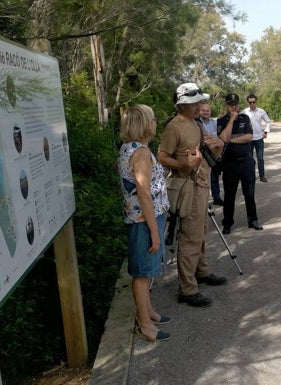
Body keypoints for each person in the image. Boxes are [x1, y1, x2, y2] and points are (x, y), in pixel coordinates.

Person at [158, 83, 227, 308]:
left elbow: (208, 150)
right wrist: (184, 164)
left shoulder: (196, 123)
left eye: (199, 102)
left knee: (201, 231)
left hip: (201, 185)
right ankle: (187, 289)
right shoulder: (174, 127)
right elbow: (162, 157)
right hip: (187, 187)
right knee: (190, 236)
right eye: (195, 103)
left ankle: (202, 271)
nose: (200, 106)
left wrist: (218, 144)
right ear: (183, 105)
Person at [117, 104, 170, 341]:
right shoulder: (139, 153)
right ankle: (144, 322)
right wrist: (155, 233)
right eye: (153, 119)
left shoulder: (130, 148)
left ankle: (148, 311)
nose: (156, 122)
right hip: (143, 220)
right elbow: (144, 192)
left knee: (146, 270)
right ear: (144, 123)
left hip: (142, 217)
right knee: (142, 272)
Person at [217, 93, 263, 234]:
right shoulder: (221, 120)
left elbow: (249, 137)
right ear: (227, 105)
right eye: (231, 104)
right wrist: (231, 120)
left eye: (236, 104)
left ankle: (253, 220)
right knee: (229, 196)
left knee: (249, 194)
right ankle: (227, 223)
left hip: (246, 162)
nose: (234, 107)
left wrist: (230, 139)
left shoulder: (245, 118)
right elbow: (222, 138)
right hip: (230, 164)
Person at [242, 93, 271, 182]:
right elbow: (240, 123)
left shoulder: (261, 111)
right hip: (249, 139)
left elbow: (268, 121)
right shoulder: (244, 112)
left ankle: (262, 176)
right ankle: (250, 176)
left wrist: (266, 131)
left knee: (260, 158)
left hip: (259, 138)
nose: (252, 104)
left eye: (253, 102)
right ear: (248, 102)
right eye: (250, 102)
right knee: (249, 159)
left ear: (256, 101)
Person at [199, 103, 223, 206]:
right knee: (204, 179)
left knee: (215, 177)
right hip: (204, 155)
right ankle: (204, 200)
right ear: (200, 111)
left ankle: (216, 197)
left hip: (215, 154)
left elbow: (219, 136)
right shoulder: (198, 123)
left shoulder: (215, 123)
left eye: (207, 110)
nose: (206, 112)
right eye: (203, 110)